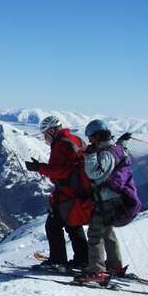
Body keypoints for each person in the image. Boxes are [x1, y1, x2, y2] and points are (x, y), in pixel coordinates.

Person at [75, 119, 141, 284]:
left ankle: (97, 270)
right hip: (116, 199)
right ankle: (114, 266)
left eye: (91, 138)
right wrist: (122, 141)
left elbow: (94, 173)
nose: (89, 141)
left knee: (95, 233)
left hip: (107, 200)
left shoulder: (105, 154)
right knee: (108, 233)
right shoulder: (116, 149)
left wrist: (89, 156)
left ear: (97, 137)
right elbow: (120, 149)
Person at [24, 115, 89, 271]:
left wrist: (38, 167)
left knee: (53, 225)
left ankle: (58, 261)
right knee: (74, 225)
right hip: (82, 191)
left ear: (53, 130)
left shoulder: (60, 145)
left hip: (68, 193)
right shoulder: (76, 140)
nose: (44, 138)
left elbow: (60, 171)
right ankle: (83, 260)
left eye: (45, 133)